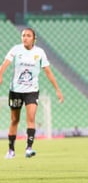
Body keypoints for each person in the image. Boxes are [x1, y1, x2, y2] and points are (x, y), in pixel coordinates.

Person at [0, 28, 64, 159]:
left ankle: (29, 148)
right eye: (23, 35)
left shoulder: (39, 52)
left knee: (31, 118)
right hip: (16, 91)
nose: (25, 38)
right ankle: (11, 149)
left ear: (34, 38)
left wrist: (57, 89)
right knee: (14, 120)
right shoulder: (16, 50)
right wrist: (0, 74)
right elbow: (5, 64)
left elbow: (48, 72)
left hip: (32, 91)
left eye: (28, 36)